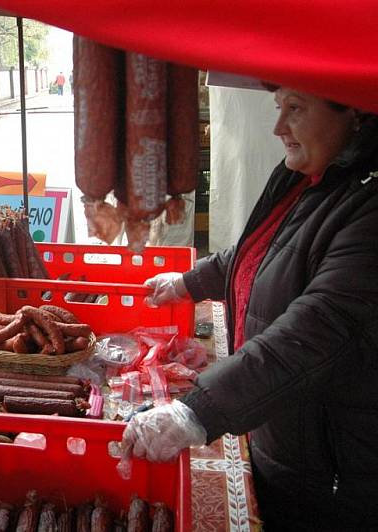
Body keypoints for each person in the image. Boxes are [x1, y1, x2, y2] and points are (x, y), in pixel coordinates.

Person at [124, 87, 378, 529]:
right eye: (280, 108)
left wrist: (197, 411)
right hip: (285, 438)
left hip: (338, 476)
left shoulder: (369, 205)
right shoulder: (305, 174)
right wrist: (187, 282)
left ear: (354, 109)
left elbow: (315, 330)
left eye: (295, 109)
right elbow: (258, 253)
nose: (279, 128)